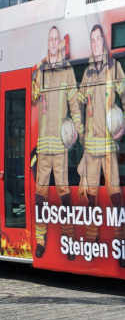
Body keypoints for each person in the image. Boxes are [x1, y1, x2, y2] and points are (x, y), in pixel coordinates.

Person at [77, 24, 125, 266]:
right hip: (90, 148)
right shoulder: (87, 74)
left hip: (109, 146)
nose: (96, 44)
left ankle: (120, 242)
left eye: (99, 39)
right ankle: (91, 242)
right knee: (90, 198)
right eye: (92, 40)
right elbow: (77, 102)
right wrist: (77, 131)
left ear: (104, 43)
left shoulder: (114, 68)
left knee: (115, 197)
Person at [32, 26, 82, 258]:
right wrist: (39, 67)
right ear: (48, 43)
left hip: (60, 146)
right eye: (50, 39)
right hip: (43, 146)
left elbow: (74, 104)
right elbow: (32, 96)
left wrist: (79, 132)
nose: (53, 43)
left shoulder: (68, 71)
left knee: (64, 194)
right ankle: (40, 240)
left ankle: (68, 238)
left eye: (56, 40)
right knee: (40, 194)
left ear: (60, 44)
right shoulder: (40, 72)